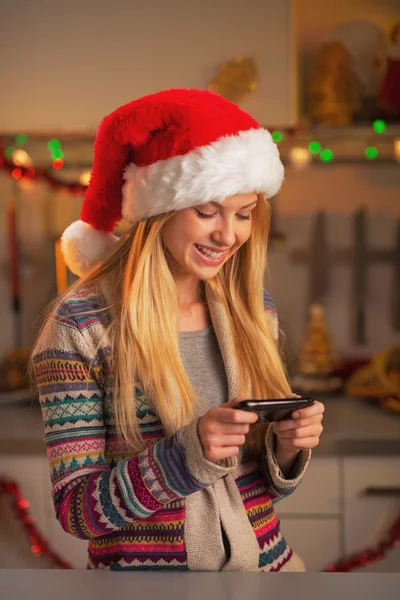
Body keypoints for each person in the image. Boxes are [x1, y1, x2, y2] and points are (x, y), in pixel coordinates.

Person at [30, 89, 324, 572]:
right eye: (207, 212)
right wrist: (186, 455)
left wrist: (288, 450)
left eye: (244, 214)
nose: (228, 235)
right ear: (159, 211)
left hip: (269, 576)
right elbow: (78, 509)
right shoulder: (81, 327)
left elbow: (258, 490)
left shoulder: (253, 311)